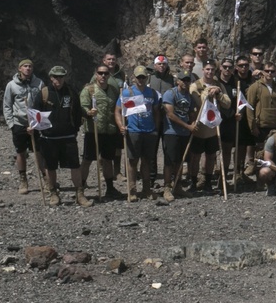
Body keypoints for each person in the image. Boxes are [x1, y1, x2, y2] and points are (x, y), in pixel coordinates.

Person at [34, 66, 92, 207]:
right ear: (51, 77)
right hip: (49, 139)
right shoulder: (43, 93)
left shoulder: (71, 92)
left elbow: (77, 112)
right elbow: (35, 114)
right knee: (51, 167)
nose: (58, 79)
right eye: (55, 76)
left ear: (65, 77)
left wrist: (75, 129)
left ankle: (79, 194)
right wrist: (33, 128)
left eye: (61, 76)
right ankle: (53, 193)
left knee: (75, 166)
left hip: (68, 137)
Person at [115, 66, 162, 201]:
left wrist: (156, 128)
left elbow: (156, 111)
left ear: (146, 77)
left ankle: (146, 190)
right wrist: (120, 125)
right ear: (134, 78)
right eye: (138, 77)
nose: (141, 79)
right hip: (134, 131)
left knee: (147, 161)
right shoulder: (126, 93)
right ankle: (132, 190)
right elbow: (117, 111)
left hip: (149, 131)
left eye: (143, 77)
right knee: (133, 161)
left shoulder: (152, 93)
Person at [80, 64, 124, 199]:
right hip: (93, 131)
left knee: (107, 160)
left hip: (109, 131)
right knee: (87, 160)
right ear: (96, 74)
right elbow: (82, 108)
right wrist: (88, 112)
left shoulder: (113, 91)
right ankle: (80, 189)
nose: (103, 76)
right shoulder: (89, 90)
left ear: (109, 75)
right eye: (100, 73)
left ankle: (110, 188)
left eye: (105, 73)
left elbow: (118, 108)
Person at [2, 59, 45, 195]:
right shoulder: (12, 85)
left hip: (35, 123)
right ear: (20, 68)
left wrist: (41, 122)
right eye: (25, 66)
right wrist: (11, 124)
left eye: (30, 66)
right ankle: (23, 179)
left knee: (39, 151)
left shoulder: (39, 83)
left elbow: (43, 103)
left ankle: (45, 177)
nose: (28, 68)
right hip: (19, 123)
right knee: (20, 152)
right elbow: (7, 105)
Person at [190, 60, 229, 194]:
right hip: (199, 128)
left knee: (211, 156)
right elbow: (198, 102)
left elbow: (228, 103)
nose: (210, 72)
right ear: (203, 70)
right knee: (195, 157)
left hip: (213, 129)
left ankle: (207, 182)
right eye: (207, 69)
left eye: (212, 70)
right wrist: (208, 92)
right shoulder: (195, 85)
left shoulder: (218, 85)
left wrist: (219, 94)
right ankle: (193, 182)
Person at [245, 62, 276, 180]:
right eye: (267, 70)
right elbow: (249, 107)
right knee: (260, 153)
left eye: (272, 71)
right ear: (262, 72)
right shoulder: (255, 87)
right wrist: (252, 126)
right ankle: (260, 179)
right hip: (261, 125)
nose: (269, 73)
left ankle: (275, 179)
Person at [160, 70, 198, 202]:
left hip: (184, 133)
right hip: (171, 132)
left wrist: (193, 122)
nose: (185, 82)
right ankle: (167, 187)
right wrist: (187, 126)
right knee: (170, 161)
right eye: (183, 80)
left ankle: (177, 185)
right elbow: (170, 114)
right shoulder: (170, 94)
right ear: (178, 81)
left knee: (181, 161)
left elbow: (192, 112)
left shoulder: (189, 96)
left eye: (187, 80)